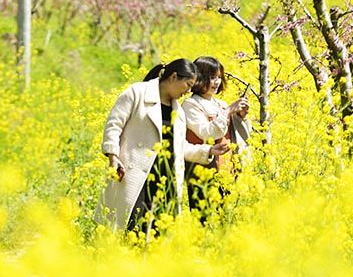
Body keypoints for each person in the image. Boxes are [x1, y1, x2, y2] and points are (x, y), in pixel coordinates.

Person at [96, 58, 231, 235]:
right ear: (174, 77)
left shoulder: (178, 111)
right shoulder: (137, 93)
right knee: (128, 229)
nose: (189, 91)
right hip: (136, 175)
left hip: (165, 179)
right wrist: (113, 156)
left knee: (158, 236)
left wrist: (208, 151)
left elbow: (179, 147)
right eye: (188, 85)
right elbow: (114, 125)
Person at [181, 56, 252, 215]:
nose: (217, 82)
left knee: (225, 219)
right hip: (203, 172)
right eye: (212, 77)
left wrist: (242, 116)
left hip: (227, 170)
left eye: (219, 77)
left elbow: (243, 136)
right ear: (199, 78)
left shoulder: (221, 104)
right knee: (204, 219)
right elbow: (206, 132)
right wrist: (228, 112)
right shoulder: (191, 105)